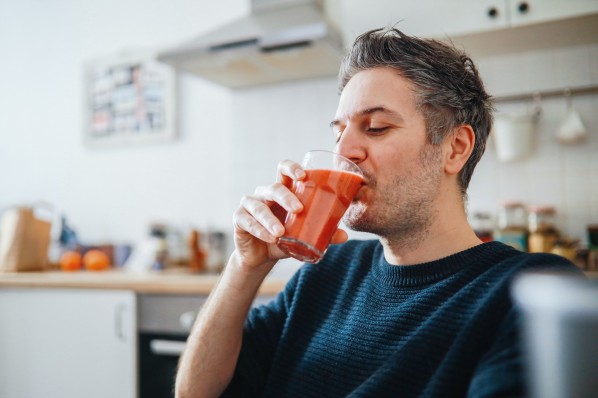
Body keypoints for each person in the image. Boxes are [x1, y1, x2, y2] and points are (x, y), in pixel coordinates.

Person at [175, 28, 579, 398]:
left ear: (455, 148)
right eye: (339, 132)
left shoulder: (530, 291)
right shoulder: (324, 272)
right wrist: (244, 267)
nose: (344, 151)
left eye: (376, 127)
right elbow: (195, 393)